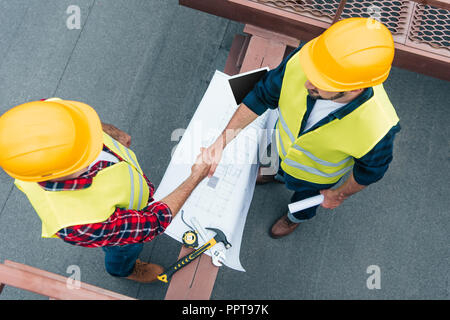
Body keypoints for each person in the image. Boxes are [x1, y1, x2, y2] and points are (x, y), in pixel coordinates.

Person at [205, 17, 401, 238]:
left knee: (305, 202)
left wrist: (338, 194)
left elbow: (370, 172)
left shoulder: (379, 128)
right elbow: (262, 95)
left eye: (320, 83)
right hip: (280, 148)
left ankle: (294, 218)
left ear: (355, 89)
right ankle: (273, 175)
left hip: (315, 179)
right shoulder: (308, 60)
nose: (307, 83)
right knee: (273, 162)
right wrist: (221, 142)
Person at [0, 98, 212, 283]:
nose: (98, 143)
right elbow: (153, 222)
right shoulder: (80, 224)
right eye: (89, 147)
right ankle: (124, 271)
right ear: (65, 171)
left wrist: (109, 131)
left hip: (128, 192)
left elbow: (78, 118)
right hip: (120, 229)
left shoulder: (42, 116)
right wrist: (195, 177)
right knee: (125, 250)